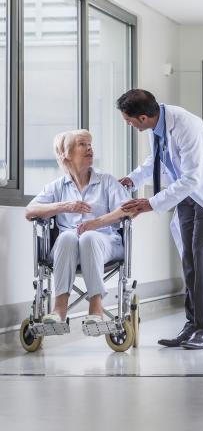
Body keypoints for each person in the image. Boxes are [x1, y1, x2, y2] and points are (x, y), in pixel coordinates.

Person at [117, 89, 203, 350]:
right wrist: (132, 179)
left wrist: (151, 203)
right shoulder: (157, 127)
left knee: (202, 257)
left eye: (129, 120)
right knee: (189, 259)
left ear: (143, 117)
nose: (128, 124)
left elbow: (193, 178)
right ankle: (191, 325)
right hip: (185, 196)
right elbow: (155, 159)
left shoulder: (185, 125)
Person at [25, 130, 131, 325]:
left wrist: (96, 222)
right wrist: (64, 206)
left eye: (90, 144)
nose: (90, 148)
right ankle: (59, 308)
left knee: (89, 237)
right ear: (66, 153)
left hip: (104, 241)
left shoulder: (106, 181)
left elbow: (129, 210)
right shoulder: (57, 187)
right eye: (83, 144)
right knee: (67, 237)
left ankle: (96, 307)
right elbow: (30, 211)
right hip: (68, 247)